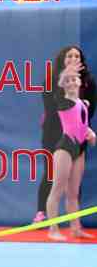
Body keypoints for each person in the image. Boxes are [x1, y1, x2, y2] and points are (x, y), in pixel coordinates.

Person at [35, 46, 96, 222]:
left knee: (74, 181)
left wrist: (85, 129)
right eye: (69, 56)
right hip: (54, 133)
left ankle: (74, 221)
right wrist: (66, 79)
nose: (73, 59)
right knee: (51, 174)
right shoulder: (52, 80)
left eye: (77, 56)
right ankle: (42, 213)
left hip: (77, 135)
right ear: (63, 59)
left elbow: (89, 110)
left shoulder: (88, 82)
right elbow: (52, 106)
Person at [46, 68, 96, 241]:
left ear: (80, 82)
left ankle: (76, 228)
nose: (71, 83)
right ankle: (53, 229)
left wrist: (91, 133)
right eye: (67, 81)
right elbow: (55, 91)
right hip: (65, 149)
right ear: (63, 85)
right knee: (57, 190)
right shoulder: (63, 102)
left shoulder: (83, 103)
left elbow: (81, 124)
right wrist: (66, 70)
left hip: (79, 150)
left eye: (74, 79)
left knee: (73, 194)